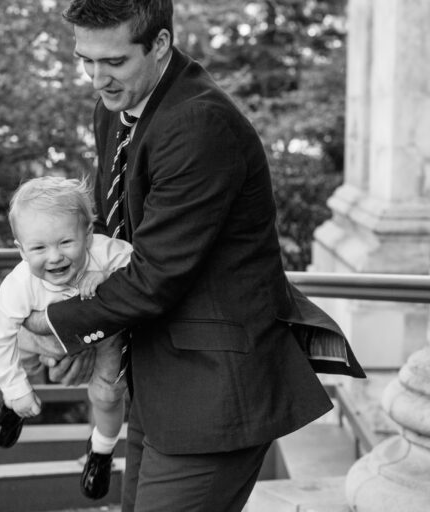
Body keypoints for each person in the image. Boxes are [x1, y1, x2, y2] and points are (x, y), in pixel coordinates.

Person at [22, 2, 366, 511]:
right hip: (156, 374)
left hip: (213, 389)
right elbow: (109, 234)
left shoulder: (198, 123)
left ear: (159, 44)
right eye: (86, 60)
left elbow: (155, 275)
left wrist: (57, 326)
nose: (98, 79)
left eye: (114, 61)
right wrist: (81, 331)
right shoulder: (119, 105)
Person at [0, 175, 133, 499]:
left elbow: (144, 270)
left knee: (108, 395)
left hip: (104, 336)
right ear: (21, 250)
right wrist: (14, 386)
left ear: (89, 234)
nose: (54, 257)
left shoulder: (104, 252)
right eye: (39, 248)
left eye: (66, 243)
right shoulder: (20, 285)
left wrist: (107, 275)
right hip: (39, 338)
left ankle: (101, 452)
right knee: (18, 346)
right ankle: (13, 402)